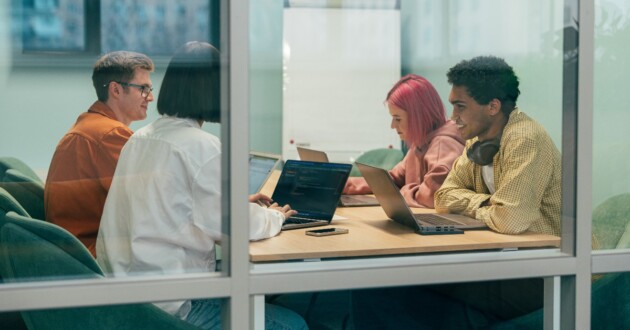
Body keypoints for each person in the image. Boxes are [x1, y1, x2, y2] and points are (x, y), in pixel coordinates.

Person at [96, 41, 307, 330]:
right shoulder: (202, 147)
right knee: (291, 324)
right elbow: (237, 225)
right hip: (173, 306)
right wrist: (275, 217)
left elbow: (179, 206)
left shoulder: (139, 139)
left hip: (130, 296)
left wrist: (237, 204)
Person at [352, 56, 562, 329]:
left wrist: (484, 206)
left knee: (389, 288)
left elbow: (509, 219)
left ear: (493, 106)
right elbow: (443, 196)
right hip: (506, 259)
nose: (452, 117)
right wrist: (488, 203)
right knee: (379, 286)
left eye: (460, 107)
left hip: (547, 270)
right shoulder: (477, 140)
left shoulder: (524, 139)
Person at [45, 51, 155, 256]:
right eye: (143, 88)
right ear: (115, 89)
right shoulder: (110, 135)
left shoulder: (91, 125)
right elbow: (147, 201)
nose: (150, 97)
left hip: (74, 251)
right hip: (93, 255)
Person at [343, 74, 464, 208]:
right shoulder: (421, 142)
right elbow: (392, 180)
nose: (392, 125)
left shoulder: (443, 144)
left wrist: (401, 192)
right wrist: (342, 184)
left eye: (398, 119)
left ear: (418, 116)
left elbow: (432, 196)